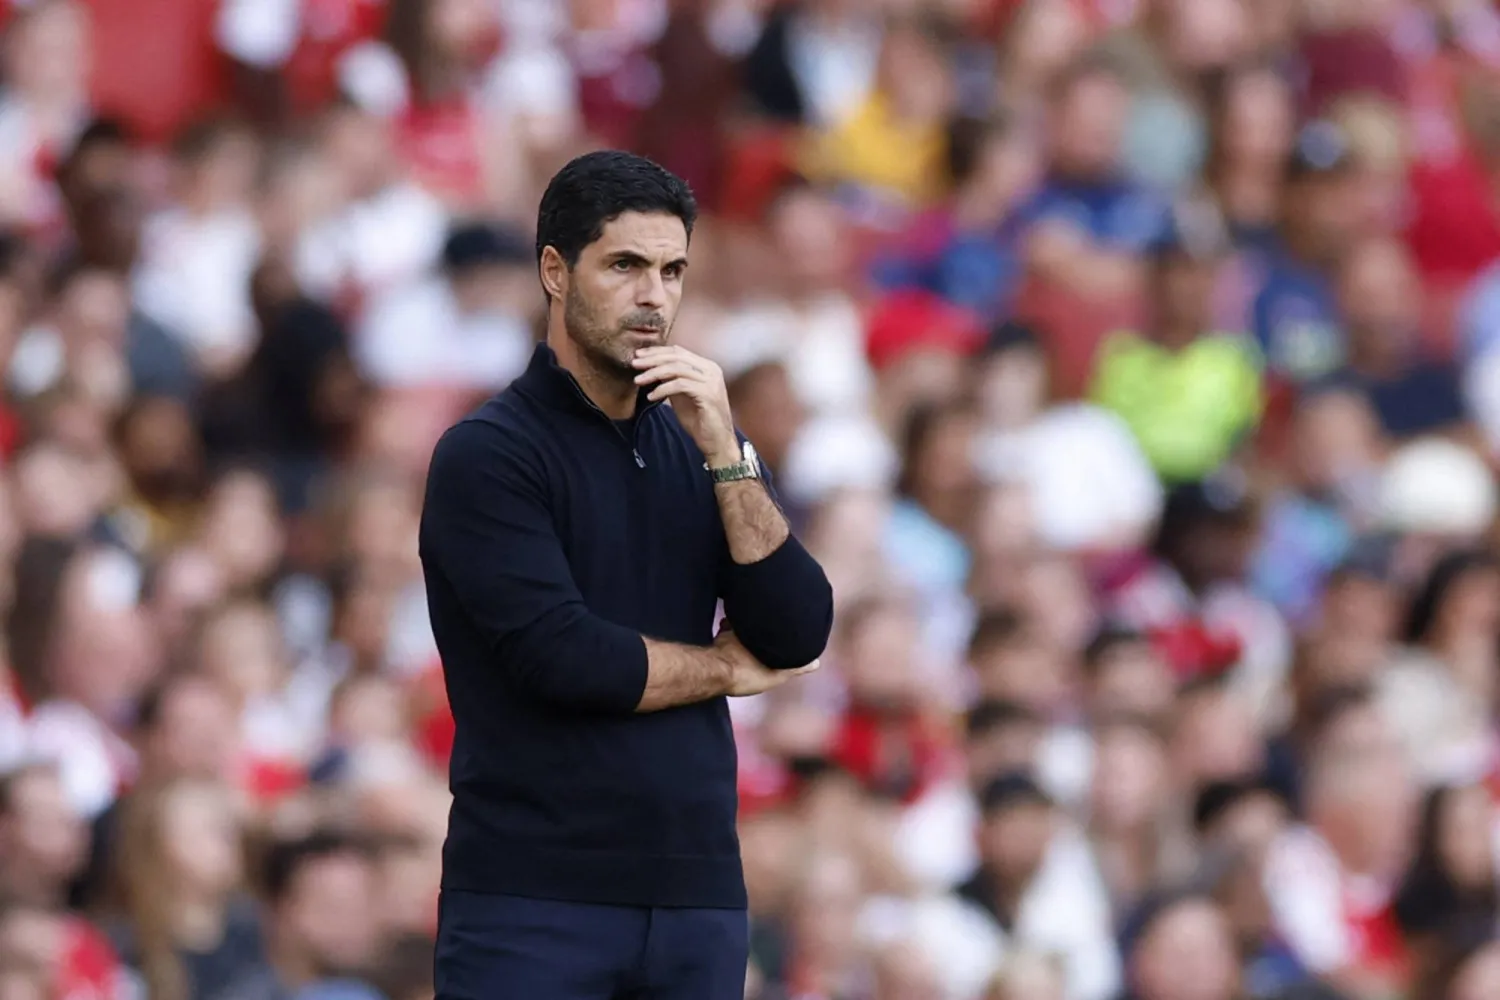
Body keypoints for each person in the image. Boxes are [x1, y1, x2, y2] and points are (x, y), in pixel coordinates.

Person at [419, 150, 835, 999]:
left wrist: (726, 450)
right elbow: (567, 659)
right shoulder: (489, 454)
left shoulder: (701, 447)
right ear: (555, 271)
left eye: (672, 271)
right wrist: (723, 670)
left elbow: (797, 628)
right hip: (534, 899)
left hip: (696, 897)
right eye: (625, 266)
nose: (654, 296)